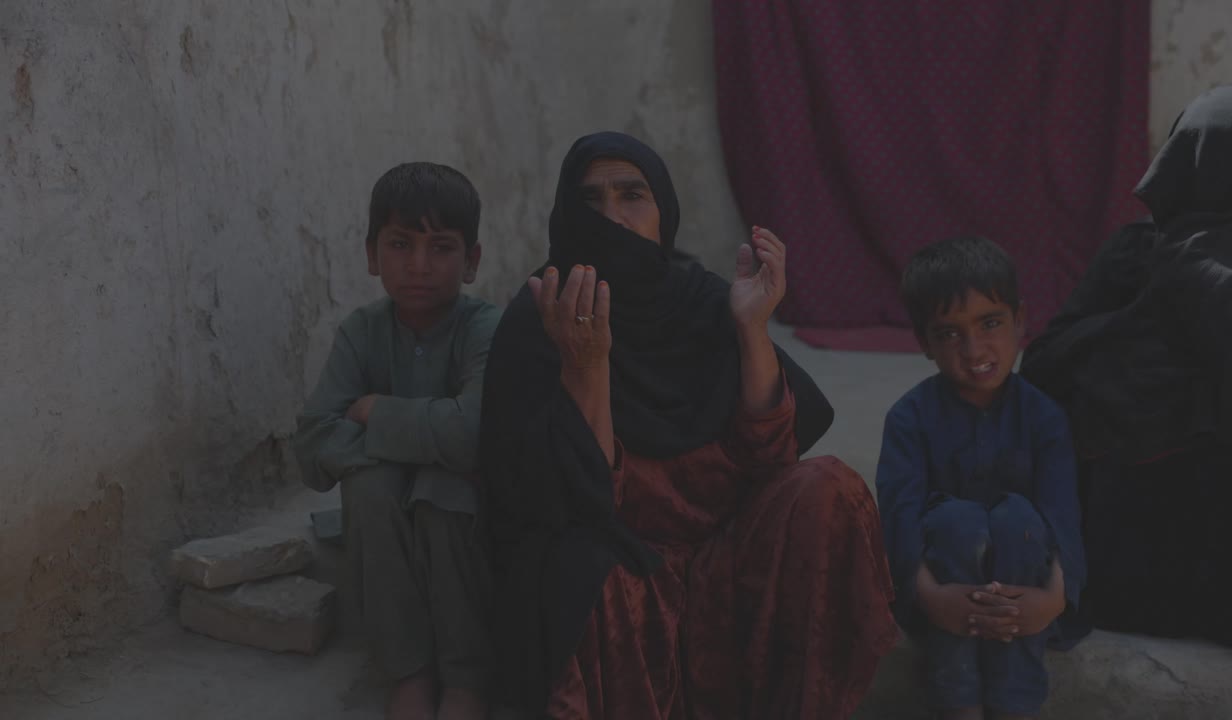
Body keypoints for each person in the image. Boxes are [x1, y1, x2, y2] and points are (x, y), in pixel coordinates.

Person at [478, 131, 897, 720]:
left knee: (829, 487)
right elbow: (573, 506)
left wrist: (752, 329)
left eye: (632, 195)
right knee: (576, 569)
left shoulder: (702, 301)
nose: (612, 216)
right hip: (628, 573)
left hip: (728, 559)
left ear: (664, 212)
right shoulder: (541, 316)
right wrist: (587, 367)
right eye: (590, 200)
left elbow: (768, 456)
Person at [1020, 83, 1232, 659]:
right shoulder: (1137, 252)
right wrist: (1133, 326)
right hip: (1140, 547)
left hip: (1175, 546)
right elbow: (1041, 365)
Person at [295, 162, 499, 719]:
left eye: (442, 247)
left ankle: (466, 676)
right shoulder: (362, 332)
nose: (419, 265)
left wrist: (376, 413)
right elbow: (313, 445)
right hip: (385, 509)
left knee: (442, 490)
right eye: (401, 244)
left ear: (472, 260)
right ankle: (407, 671)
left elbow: (474, 434)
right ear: (372, 254)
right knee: (372, 486)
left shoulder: (485, 328)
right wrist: (418, 447)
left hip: (465, 511)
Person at [876, 236, 1086, 720]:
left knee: (1019, 520)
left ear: (1020, 320)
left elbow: (1063, 519)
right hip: (940, 592)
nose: (973, 350)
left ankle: (1015, 708)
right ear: (924, 342)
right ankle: (961, 708)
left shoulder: (1045, 418)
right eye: (949, 333)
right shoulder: (909, 419)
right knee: (956, 522)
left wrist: (1052, 599)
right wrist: (931, 596)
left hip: (1027, 589)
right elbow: (898, 522)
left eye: (990, 323)